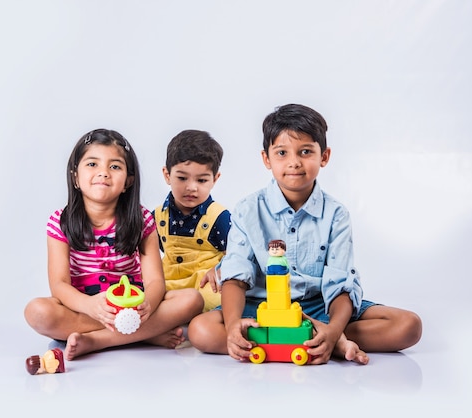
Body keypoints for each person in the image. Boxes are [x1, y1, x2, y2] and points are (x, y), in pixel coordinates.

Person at [187, 104, 422, 365]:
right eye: (282, 153)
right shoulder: (248, 209)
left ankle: (316, 337)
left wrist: (332, 328)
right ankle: (320, 341)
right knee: (201, 330)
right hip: (261, 309)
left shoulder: (336, 214)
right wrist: (232, 326)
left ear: (324, 156)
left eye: (306, 151)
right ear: (267, 159)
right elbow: (235, 275)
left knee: (408, 325)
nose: (294, 162)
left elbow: (339, 283)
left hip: (317, 308)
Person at [24, 129, 204, 361]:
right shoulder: (60, 222)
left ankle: (97, 340)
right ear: (75, 177)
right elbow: (59, 284)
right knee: (37, 312)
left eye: (115, 166)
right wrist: (89, 305)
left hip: (133, 306)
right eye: (92, 164)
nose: (103, 173)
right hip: (85, 307)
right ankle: (142, 335)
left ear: (128, 181)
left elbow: (154, 281)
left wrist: (147, 304)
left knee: (192, 300)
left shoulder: (142, 221)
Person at [153, 130, 231, 312]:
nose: (191, 187)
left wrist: (219, 269)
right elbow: (144, 255)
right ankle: (170, 317)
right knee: (142, 296)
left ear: (215, 179)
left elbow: (238, 253)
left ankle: (180, 317)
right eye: (182, 178)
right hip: (168, 282)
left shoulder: (218, 216)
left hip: (205, 283)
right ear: (167, 175)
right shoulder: (157, 217)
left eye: (202, 180)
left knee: (219, 299)